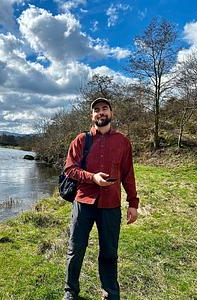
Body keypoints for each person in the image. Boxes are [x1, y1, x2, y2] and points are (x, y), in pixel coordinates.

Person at [62, 97, 139, 300]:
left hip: (111, 205)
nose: (101, 112)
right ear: (92, 115)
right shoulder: (80, 140)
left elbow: (128, 174)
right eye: (96, 109)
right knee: (75, 250)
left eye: (104, 109)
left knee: (109, 252)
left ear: (111, 113)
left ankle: (111, 293)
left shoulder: (123, 142)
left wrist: (133, 203)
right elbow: (70, 169)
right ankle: (71, 292)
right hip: (83, 202)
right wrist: (92, 178)